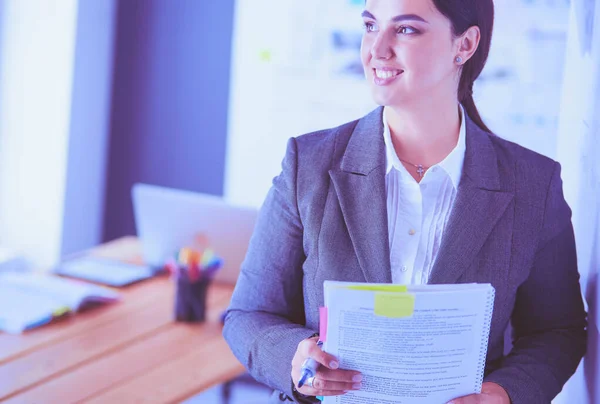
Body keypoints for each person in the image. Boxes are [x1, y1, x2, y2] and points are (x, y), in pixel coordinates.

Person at [223, 0, 588, 403]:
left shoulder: (532, 185)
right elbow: (246, 317)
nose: (376, 49)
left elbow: (558, 330)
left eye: (406, 29)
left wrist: (501, 394)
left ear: (464, 45)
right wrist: (295, 359)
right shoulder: (307, 166)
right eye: (370, 25)